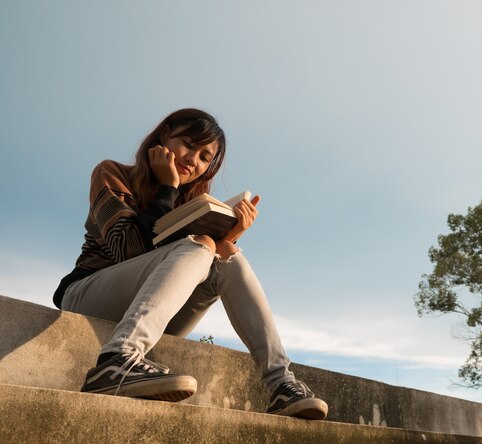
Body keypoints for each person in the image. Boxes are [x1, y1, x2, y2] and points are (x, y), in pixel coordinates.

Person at [53, 108, 328, 420]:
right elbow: (127, 249)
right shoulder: (111, 173)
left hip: (154, 311)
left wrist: (231, 235)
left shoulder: (192, 204)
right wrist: (167, 188)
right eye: (187, 144)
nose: (192, 160)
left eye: (204, 157)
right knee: (205, 246)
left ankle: (280, 383)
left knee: (224, 251)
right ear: (162, 137)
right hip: (87, 294)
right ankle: (118, 359)